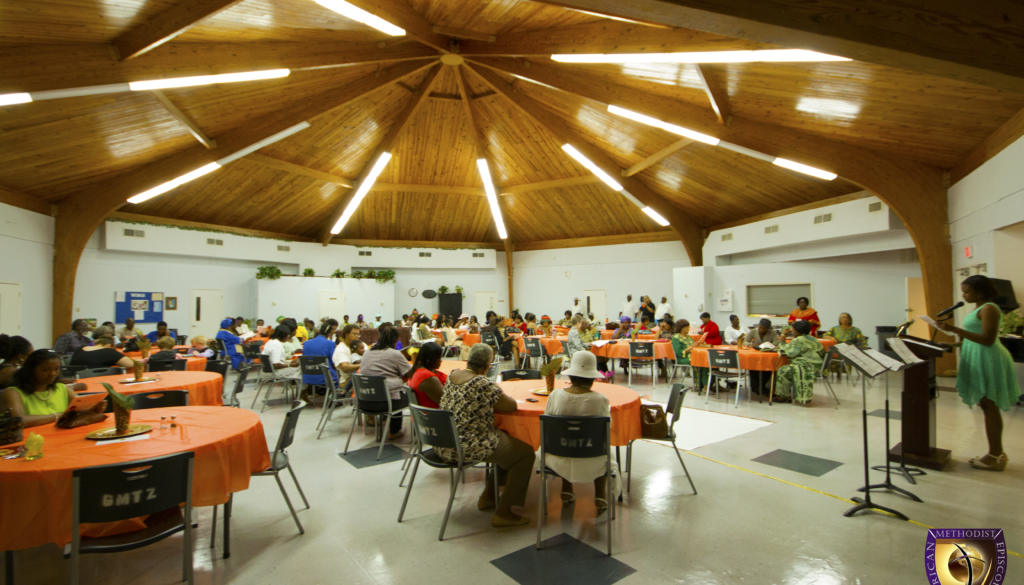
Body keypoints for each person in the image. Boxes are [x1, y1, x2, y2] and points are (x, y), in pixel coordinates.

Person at [439, 343, 534, 527]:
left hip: (445, 441)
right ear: (487, 366)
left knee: (507, 442)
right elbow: (510, 406)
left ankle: (488, 496)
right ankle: (504, 512)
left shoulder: (452, 375)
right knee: (525, 454)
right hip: (469, 444)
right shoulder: (481, 383)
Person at [935, 275, 1019, 471]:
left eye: (966, 291)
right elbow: (974, 337)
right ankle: (996, 453)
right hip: (980, 356)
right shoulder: (979, 308)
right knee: (986, 405)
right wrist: (954, 343)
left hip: (989, 359)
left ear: (980, 291)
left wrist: (954, 329)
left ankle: (995, 455)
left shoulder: (989, 308)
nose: (963, 295)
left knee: (990, 405)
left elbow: (988, 339)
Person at [542, 351, 620, 514]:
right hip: (593, 459)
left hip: (558, 457)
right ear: (593, 378)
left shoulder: (555, 395)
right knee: (600, 445)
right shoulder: (600, 400)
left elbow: (550, 428)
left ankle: (566, 489)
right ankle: (600, 495)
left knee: (565, 439)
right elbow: (605, 431)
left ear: (570, 377)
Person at [1, 350, 107, 429]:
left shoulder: (62, 389)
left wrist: (90, 410)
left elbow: (78, 411)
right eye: (45, 370)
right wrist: (57, 416)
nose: (52, 374)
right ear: (30, 370)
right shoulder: (13, 393)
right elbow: (19, 421)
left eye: (56, 369)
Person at [358, 324, 411, 439]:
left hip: (364, 401)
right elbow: (410, 373)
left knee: (388, 390)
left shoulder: (367, 352)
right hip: (387, 403)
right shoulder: (395, 354)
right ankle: (395, 431)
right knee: (409, 395)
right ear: (395, 340)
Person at [774, 320, 825, 404]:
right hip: (820, 367)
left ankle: (783, 396)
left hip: (809, 368)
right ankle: (784, 394)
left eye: (793, 330)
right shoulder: (812, 338)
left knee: (783, 370)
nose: (793, 332)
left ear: (798, 331)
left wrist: (782, 339)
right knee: (788, 368)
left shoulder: (799, 340)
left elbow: (789, 352)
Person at [301, 320, 339, 399]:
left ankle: (303, 395)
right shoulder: (330, 343)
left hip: (307, 375)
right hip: (324, 376)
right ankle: (331, 398)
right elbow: (333, 361)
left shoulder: (306, 343)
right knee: (339, 373)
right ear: (329, 333)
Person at [70, 327, 135, 370]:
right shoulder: (109, 352)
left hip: (75, 382)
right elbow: (130, 364)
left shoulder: (80, 348)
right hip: (96, 383)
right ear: (111, 345)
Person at [745, 319, 782, 395]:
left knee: (768, 369)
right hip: (755, 355)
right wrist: (750, 344)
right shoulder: (753, 331)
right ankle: (756, 387)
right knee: (753, 368)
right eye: (760, 327)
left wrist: (768, 345)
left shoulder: (772, 332)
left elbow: (776, 343)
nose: (761, 330)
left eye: (763, 328)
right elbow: (745, 341)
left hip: (767, 355)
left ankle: (761, 387)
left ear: (768, 329)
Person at [408, 341, 446, 408]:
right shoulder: (427, 377)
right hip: (436, 414)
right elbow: (445, 401)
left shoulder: (416, 370)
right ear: (431, 359)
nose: (441, 361)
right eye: (439, 358)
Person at [671, 319, 708, 389]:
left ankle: (705, 385)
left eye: (688, 327)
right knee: (698, 362)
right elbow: (678, 352)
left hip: (692, 355)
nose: (688, 328)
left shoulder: (688, 337)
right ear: (681, 328)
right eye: (686, 327)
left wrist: (697, 345)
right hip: (682, 358)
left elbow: (692, 347)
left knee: (705, 362)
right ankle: (700, 385)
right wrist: (691, 347)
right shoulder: (676, 337)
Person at [332, 324, 363, 392]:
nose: (357, 336)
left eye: (358, 334)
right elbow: (345, 368)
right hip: (347, 380)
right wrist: (364, 364)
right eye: (354, 334)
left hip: (360, 377)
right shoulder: (341, 349)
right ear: (346, 334)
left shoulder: (360, 345)